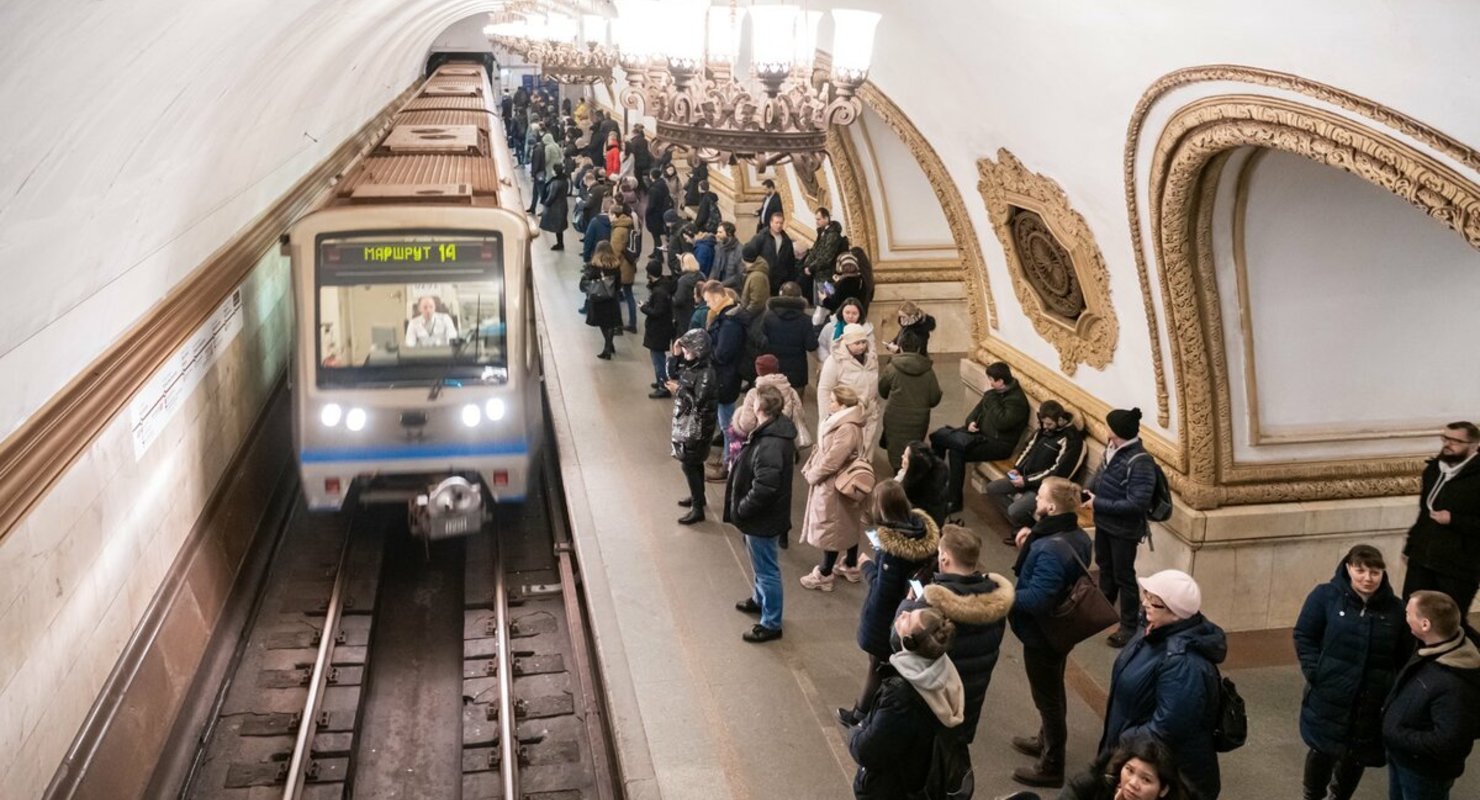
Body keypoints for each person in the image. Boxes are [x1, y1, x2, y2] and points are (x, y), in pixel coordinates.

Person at [1293, 545, 1411, 800]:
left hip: (1372, 699)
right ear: (1348, 568)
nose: (1368, 578)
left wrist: (1392, 688)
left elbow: (1404, 654)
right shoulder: (1325, 596)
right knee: (1322, 750)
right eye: (1361, 570)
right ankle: (1312, 795)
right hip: (1331, 692)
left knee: (1357, 756)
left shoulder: (1396, 609)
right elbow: (1305, 635)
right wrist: (1316, 670)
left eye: (1375, 572)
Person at [1099, 569, 1226, 800]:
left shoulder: (1183, 664)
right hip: (1138, 758)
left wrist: (1124, 740)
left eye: (1154, 601)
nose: (1145, 603)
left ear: (1176, 614)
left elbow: (1167, 727)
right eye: (1146, 594)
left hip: (1164, 776)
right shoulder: (1152, 630)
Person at [1008, 477, 1095, 788]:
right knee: (1052, 690)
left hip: (1043, 634)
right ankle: (1046, 739)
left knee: (1048, 697)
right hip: (1061, 630)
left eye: (1040, 496)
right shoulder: (1075, 535)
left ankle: (1052, 764)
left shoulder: (1049, 548)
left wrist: (1005, 596)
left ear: (1052, 507)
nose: (1035, 501)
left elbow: (1039, 598)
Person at [895, 524, 1013, 744]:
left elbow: (900, 638)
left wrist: (908, 605)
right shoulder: (996, 600)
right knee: (953, 750)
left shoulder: (933, 601)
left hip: (934, 693)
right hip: (970, 694)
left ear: (946, 558)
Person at [840, 480, 942, 724]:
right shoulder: (920, 532)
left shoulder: (892, 551)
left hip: (887, 617)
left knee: (877, 665)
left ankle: (860, 714)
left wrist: (866, 565)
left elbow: (883, 590)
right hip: (908, 609)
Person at [846, 606, 965, 800]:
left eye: (907, 620)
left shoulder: (901, 696)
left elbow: (868, 751)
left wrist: (856, 730)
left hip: (891, 788)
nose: (902, 614)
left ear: (909, 642)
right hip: (918, 773)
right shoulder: (943, 670)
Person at [1383, 590, 1480, 800]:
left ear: (1425, 625)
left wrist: (1397, 733)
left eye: (1408, 613)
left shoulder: (1454, 685)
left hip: (1422, 772)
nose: (1404, 616)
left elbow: (1448, 742)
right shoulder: (1433, 648)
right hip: (1405, 757)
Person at [725, 384, 798, 642]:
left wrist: (742, 508)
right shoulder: (774, 430)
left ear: (760, 407)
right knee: (759, 562)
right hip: (763, 517)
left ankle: (771, 623)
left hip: (761, 518)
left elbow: (765, 487)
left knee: (767, 569)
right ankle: (759, 599)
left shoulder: (770, 443)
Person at [1086, 407, 1158, 647]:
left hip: (1124, 530)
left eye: (1108, 425)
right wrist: (1085, 492)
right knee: (1105, 567)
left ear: (1116, 431)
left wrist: (1098, 503)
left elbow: (1137, 503)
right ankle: (1104, 607)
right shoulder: (1112, 449)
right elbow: (1100, 476)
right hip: (1105, 522)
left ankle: (1128, 626)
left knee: (1124, 576)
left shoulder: (1140, 462)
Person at [929, 361, 1030, 517]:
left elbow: (1001, 423)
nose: (989, 383)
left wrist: (990, 396)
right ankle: (936, 483)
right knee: (940, 437)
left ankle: (954, 500)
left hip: (998, 444)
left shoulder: (1017, 402)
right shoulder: (994, 393)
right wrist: (970, 423)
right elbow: (975, 412)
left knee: (956, 452)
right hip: (979, 435)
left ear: (1000, 381)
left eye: (991, 379)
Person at [1401, 422, 1480, 622]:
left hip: (1459, 565)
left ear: (1474, 445)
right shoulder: (1435, 469)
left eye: (1456, 441)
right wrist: (1411, 546)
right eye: (1445, 439)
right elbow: (1423, 513)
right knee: (1413, 614)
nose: (1448, 444)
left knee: (1448, 620)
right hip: (1423, 558)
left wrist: (1454, 519)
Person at [800, 386, 868, 592]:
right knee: (847, 522)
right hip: (842, 483)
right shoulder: (843, 422)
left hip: (835, 484)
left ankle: (825, 573)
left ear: (843, 405)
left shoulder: (846, 427)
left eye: (833, 401)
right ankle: (850, 564)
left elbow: (832, 460)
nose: (829, 404)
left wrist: (814, 475)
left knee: (833, 526)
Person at [986, 400, 1086, 534]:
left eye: (1049, 424)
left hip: (1043, 487)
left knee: (1014, 510)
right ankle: (1022, 527)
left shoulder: (1071, 440)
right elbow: (1028, 448)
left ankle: (1029, 530)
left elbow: (1058, 472)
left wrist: (1026, 481)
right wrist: (1017, 468)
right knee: (993, 488)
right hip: (1024, 477)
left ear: (1061, 420)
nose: (1045, 427)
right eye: (1043, 423)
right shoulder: (1044, 429)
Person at [667, 329, 717, 524]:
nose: (685, 353)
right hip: (690, 424)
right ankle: (699, 498)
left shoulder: (706, 374)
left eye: (688, 349)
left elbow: (698, 402)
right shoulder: (694, 367)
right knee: (694, 463)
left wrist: (678, 390)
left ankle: (698, 508)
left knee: (689, 463)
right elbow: (672, 373)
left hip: (698, 427)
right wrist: (675, 354)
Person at [877, 329, 943, 472]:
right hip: (919, 419)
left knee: (896, 449)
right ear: (919, 348)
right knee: (912, 450)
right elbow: (934, 399)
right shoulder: (928, 371)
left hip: (895, 416)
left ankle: (897, 475)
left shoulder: (892, 368)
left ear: (900, 347)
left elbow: (882, 391)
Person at [703, 280, 748, 480]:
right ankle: (726, 458)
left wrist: (705, 351)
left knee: (728, 425)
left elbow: (722, 353)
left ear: (716, 296)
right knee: (726, 422)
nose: (707, 305)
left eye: (708, 300)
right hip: (726, 376)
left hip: (726, 377)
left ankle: (729, 464)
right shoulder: (729, 316)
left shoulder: (729, 322)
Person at [817, 324, 882, 454]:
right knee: (846, 452)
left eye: (864, 342)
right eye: (857, 343)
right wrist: (825, 417)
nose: (862, 346)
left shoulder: (872, 358)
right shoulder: (835, 361)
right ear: (847, 342)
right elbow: (824, 389)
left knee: (866, 448)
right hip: (846, 415)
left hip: (868, 413)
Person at [730, 355, 811, 458]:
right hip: (783, 441)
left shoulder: (754, 393)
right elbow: (800, 414)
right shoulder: (790, 390)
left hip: (760, 444)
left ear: (758, 371)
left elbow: (747, 424)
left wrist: (738, 418)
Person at [1058, 737, 1190, 800]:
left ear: (1163, 790)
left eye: (1146, 780)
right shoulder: (1095, 783)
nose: (1133, 783)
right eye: (1130, 770)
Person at [760, 282, 817, 394]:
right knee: (795, 406)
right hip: (797, 371)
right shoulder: (805, 320)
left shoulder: (768, 316)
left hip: (773, 369)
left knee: (772, 405)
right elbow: (811, 345)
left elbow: (761, 342)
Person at [582, 241, 622, 359]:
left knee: (602, 323)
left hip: (598, 299)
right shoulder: (615, 265)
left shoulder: (594, 266)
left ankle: (607, 347)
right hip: (611, 298)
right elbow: (619, 284)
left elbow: (588, 282)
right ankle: (609, 345)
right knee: (610, 323)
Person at [897, 441, 950, 528]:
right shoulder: (936, 479)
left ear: (913, 464)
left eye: (905, 456)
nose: (902, 457)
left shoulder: (913, 493)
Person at [800, 206, 847, 303]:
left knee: (826, 303)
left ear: (826, 218)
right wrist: (807, 264)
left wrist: (810, 268)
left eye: (819, 219)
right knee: (817, 304)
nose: (816, 222)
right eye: (816, 219)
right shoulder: (822, 233)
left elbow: (826, 257)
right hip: (818, 274)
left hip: (827, 277)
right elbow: (815, 250)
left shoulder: (833, 235)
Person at [641, 270, 677, 399]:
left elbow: (657, 312)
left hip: (658, 330)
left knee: (658, 359)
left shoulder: (658, 292)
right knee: (657, 357)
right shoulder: (665, 288)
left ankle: (663, 386)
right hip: (663, 328)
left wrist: (643, 308)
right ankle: (660, 381)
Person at [610, 201, 639, 331]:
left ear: (616, 215)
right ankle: (632, 323)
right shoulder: (629, 225)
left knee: (616, 297)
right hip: (629, 266)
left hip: (620, 268)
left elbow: (615, 251)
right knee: (629, 295)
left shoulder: (619, 230)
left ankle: (618, 325)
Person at [817, 297, 875, 361]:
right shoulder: (830, 327)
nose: (850, 316)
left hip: (858, 367)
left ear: (860, 315)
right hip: (834, 366)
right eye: (847, 313)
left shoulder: (866, 330)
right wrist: (828, 360)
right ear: (842, 312)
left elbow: (872, 352)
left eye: (854, 313)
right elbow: (821, 346)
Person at [752, 211, 797, 293]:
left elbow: (790, 262)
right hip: (764, 277)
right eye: (776, 223)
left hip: (780, 280)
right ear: (771, 223)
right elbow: (751, 253)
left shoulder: (786, 241)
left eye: (781, 223)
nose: (779, 225)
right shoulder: (761, 237)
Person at [820, 251, 867, 316]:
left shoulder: (844, 283)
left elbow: (834, 304)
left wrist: (824, 299)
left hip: (843, 316)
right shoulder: (861, 279)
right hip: (857, 315)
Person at [737, 241, 771, 318]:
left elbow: (757, 303)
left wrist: (744, 315)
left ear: (743, 259)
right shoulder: (753, 272)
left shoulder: (757, 276)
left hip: (753, 319)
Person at [644, 167, 673, 256]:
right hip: (661, 212)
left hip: (654, 215)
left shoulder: (653, 189)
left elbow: (651, 205)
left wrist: (647, 212)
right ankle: (656, 251)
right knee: (657, 236)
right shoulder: (663, 185)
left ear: (652, 176)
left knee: (656, 236)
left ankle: (658, 255)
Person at [672, 253, 703, 335]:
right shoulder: (702, 276)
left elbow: (678, 300)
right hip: (695, 310)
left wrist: (671, 298)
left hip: (683, 314)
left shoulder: (683, 281)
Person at [712, 221, 745, 292]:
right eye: (717, 232)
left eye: (720, 232)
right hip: (718, 288)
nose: (717, 235)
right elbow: (714, 268)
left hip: (733, 290)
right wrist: (710, 283)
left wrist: (722, 284)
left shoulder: (739, 249)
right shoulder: (718, 248)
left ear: (729, 233)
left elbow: (739, 274)